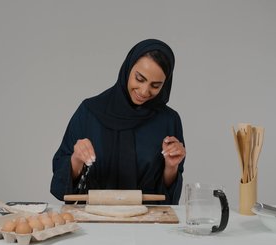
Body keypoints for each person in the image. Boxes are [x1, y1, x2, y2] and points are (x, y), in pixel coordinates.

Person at [50, 39, 186, 204]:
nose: (144, 91)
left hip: (149, 224)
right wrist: (76, 160)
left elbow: (168, 199)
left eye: (155, 85)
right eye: (139, 79)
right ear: (127, 69)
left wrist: (171, 167)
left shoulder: (168, 121)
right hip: (93, 222)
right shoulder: (90, 112)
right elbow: (60, 183)